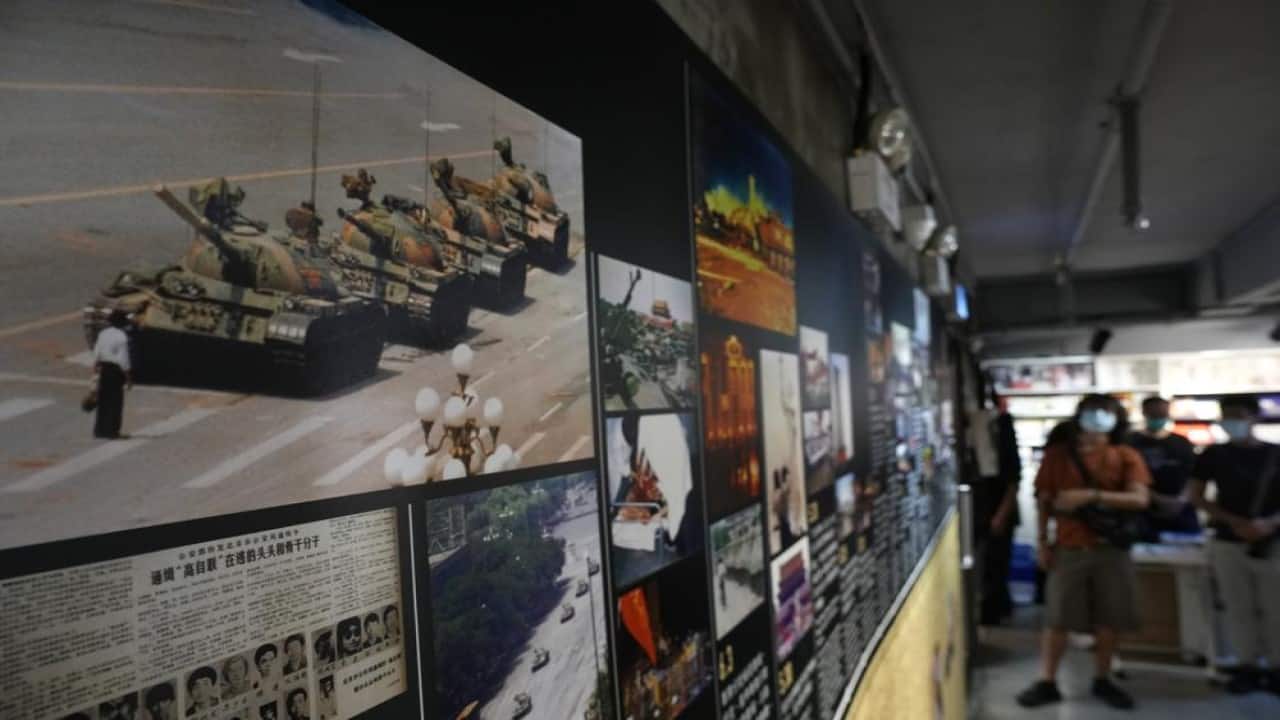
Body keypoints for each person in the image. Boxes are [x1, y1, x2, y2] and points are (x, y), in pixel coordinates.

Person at [1016, 394, 1151, 711]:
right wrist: (1042, 542)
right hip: (1069, 546)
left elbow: (1139, 499)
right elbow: (1044, 501)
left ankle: (1103, 678)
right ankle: (1047, 681)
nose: (1098, 419)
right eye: (1093, 412)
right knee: (1058, 617)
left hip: (1111, 549)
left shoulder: (1125, 455)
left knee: (1110, 617)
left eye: (1106, 413)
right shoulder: (1058, 456)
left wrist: (1089, 496)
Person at [1189, 395, 1280, 694]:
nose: (1232, 422)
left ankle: (1276, 666)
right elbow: (1197, 495)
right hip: (1228, 541)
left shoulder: (1275, 454)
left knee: (1274, 607)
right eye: (1226, 416)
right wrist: (1233, 521)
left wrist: (1269, 523)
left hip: (1272, 541)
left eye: (1238, 415)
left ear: (1254, 416)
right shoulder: (1213, 455)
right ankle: (1247, 665)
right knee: (1237, 606)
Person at [969, 389, 1021, 625]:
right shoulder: (979, 437)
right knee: (990, 565)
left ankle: (995, 611)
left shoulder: (1002, 433)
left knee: (996, 566)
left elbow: (1012, 481)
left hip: (997, 512)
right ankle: (994, 608)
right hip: (986, 512)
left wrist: (1001, 515)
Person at [1128, 396, 1199, 537]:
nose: (1158, 418)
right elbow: (1128, 478)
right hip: (1144, 511)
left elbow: (1194, 476)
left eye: (1162, 414)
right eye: (1153, 414)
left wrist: (1181, 500)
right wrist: (1158, 499)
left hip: (1181, 509)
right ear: (1144, 413)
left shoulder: (1182, 442)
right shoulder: (1131, 442)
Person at [92, 310, 132, 439]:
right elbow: (123, 360)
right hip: (115, 371)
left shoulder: (103, 333)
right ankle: (112, 432)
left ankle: (100, 430)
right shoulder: (122, 336)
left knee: (103, 400)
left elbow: (97, 352)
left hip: (104, 368)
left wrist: (95, 370)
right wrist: (128, 378)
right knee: (115, 402)